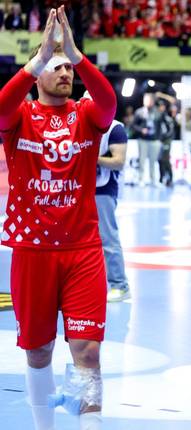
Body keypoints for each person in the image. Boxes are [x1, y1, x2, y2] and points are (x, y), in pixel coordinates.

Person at [0, 7, 117, 429]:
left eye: (69, 67)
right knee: (38, 351)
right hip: (32, 252)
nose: (65, 72)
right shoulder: (20, 117)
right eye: (56, 65)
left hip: (82, 251)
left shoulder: (86, 114)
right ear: (36, 73)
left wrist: (76, 54)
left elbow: (109, 103)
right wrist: (38, 58)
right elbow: (1, 106)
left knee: (88, 351)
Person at [94, 105, 131, 302]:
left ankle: (119, 285)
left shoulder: (114, 128)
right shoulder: (79, 124)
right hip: (79, 186)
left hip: (103, 188)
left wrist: (91, 157)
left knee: (107, 236)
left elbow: (119, 161)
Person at [131, 92, 161, 187]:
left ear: (152, 101)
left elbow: (160, 126)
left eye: (149, 100)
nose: (147, 102)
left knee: (153, 161)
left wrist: (159, 138)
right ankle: (141, 179)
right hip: (143, 140)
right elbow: (133, 125)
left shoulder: (157, 112)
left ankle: (153, 180)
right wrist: (141, 130)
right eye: (145, 100)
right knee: (142, 160)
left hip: (154, 140)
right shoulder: (139, 112)